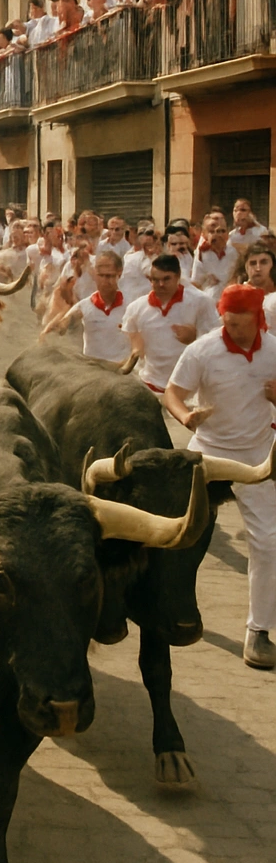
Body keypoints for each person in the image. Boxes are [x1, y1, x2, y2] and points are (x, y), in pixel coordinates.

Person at [165, 284, 276, 669]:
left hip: (258, 455)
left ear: (258, 320)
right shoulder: (203, 350)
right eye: (228, 323)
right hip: (209, 451)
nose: (234, 331)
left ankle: (259, 632)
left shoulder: (274, 350)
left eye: (242, 325)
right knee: (180, 533)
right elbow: (173, 393)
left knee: (268, 542)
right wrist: (185, 416)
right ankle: (169, 608)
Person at [121, 253, 220, 394]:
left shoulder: (200, 302)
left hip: (189, 390)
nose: (160, 284)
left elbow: (216, 341)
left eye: (166, 279)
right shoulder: (136, 308)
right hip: (151, 386)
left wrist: (195, 336)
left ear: (178, 276)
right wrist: (135, 351)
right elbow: (132, 344)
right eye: (155, 280)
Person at [40, 249, 130, 362]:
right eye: (101, 275)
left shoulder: (131, 306)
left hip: (121, 370)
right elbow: (64, 323)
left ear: (119, 273)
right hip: (91, 370)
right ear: (95, 274)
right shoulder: (84, 306)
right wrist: (50, 331)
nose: (105, 281)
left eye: (110, 276)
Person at [191, 212, 237, 302]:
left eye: (222, 231)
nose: (218, 235)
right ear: (204, 234)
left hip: (230, 297)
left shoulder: (235, 251)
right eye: (212, 231)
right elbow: (196, 281)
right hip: (209, 297)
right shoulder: (202, 253)